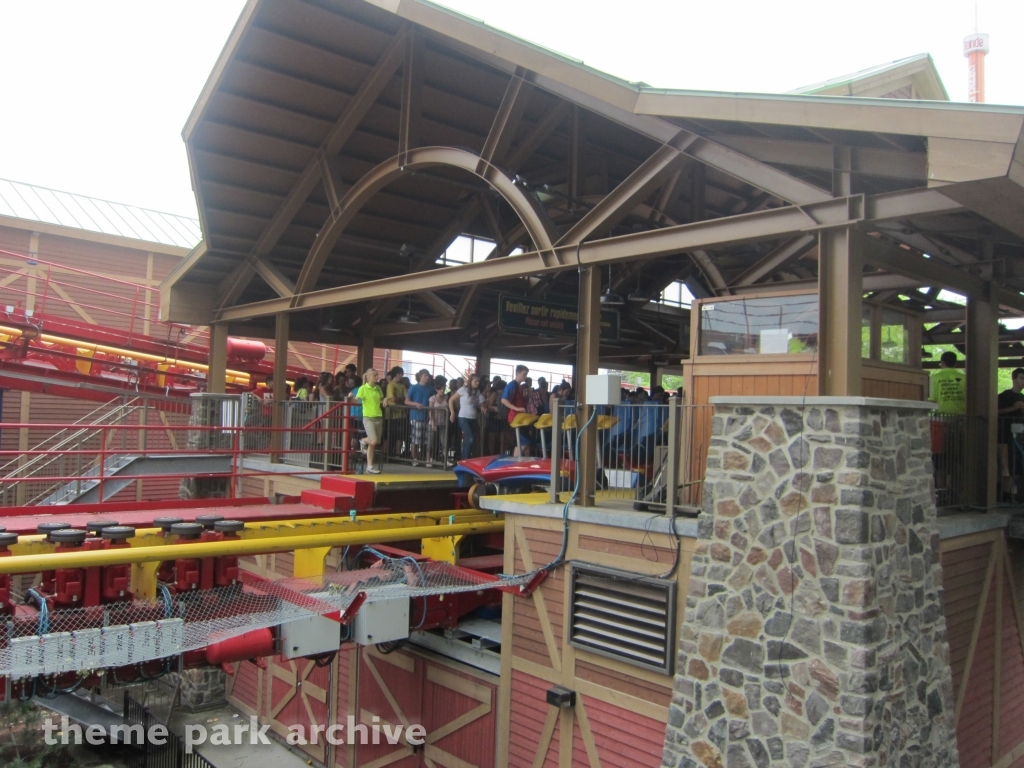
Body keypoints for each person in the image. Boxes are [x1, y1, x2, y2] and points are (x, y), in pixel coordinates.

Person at [356, 368, 388, 474]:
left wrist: (385, 399)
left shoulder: (378, 388)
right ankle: (363, 440)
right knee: (373, 441)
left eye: (377, 375)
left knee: (375, 443)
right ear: (369, 377)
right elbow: (356, 399)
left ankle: (369, 466)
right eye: (374, 376)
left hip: (378, 417)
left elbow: (380, 399)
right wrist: (350, 397)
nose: (376, 377)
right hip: (368, 417)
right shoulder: (363, 388)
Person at [450, 373, 484, 461]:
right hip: (463, 417)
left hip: (473, 418)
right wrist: (452, 413)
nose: (477, 383)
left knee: (468, 439)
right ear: (470, 381)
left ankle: (464, 459)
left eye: (478, 381)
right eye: (475, 381)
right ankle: (465, 460)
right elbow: (451, 400)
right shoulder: (463, 390)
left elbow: (477, 403)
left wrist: (482, 406)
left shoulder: (477, 392)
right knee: (470, 438)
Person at [406, 369, 434, 466]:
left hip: (428, 417)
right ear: (420, 376)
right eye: (425, 375)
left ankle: (427, 459)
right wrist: (415, 404)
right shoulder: (413, 388)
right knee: (416, 439)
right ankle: (415, 458)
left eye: (428, 376)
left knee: (428, 439)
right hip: (416, 416)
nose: (427, 377)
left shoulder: (431, 389)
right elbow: (407, 401)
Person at [502, 364, 530, 457]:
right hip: (516, 417)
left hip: (520, 417)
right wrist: (516, 408)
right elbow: (504, 400)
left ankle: (522, 462)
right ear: (518, 373)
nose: (525, 377)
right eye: (524, 374)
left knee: (523, 442)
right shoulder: (512, 385)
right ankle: (515, 461)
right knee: (525, 442)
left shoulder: (519, 386)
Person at [428, 376, 449, 467]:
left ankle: (446, 460)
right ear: (437, 389)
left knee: (444, 442)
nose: (442, 390)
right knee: (430, 442)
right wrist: (433, 423)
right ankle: (428, 459)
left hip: (443, 422)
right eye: (440, 389)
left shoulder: (446, 397)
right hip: (434, 422)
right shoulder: (432, 398)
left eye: (443, 388)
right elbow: (430, 411)